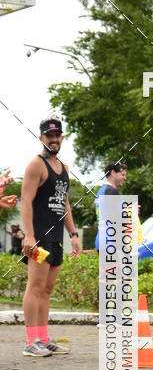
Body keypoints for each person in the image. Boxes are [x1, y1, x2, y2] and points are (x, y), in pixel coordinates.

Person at [20, 117, 81, 356]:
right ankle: (30, 341)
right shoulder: (36, 165)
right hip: (37, 237)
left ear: (61, 137)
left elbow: (64, 202)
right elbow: (26, 201)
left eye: (57, 136)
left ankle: (43, 339)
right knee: (34, 287)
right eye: (49, 136)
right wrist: (29, 235)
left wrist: (73, 234)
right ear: (41, 138)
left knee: (47, 288)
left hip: (55, 237)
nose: (54, 140)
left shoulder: (64, 167)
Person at [94, 162, 127, 250]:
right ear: (113, 173)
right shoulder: (112, 191)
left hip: (101, 241)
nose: (125, 178)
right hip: (111, 243)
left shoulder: (100, 191)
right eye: (123, 175)